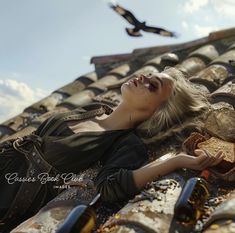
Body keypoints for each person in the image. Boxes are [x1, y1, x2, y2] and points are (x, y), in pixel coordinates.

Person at [0, 67, 224, 232]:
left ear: (160, 112)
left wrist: (174, 162)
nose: (143, 77)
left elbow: (111, 186)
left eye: (153, 86)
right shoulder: (94, 109)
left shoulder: (127, 143)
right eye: (149, 75)